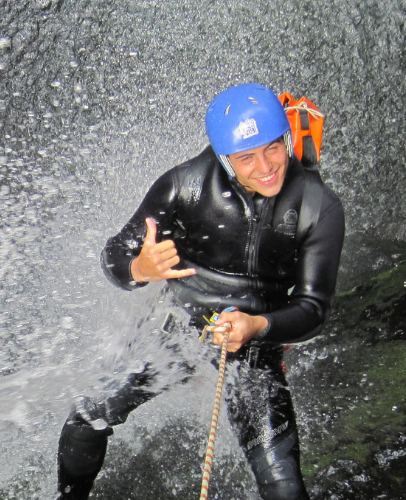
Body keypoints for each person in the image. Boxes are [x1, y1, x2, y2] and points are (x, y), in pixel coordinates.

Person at [56, 83, 345, 500]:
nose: (266, 167)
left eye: (273, 149)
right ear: (225, 159)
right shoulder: (185, 186)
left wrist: (257, 325)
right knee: (85, 417)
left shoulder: (318, 207)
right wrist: (140, 267)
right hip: (176, 331)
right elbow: (115, 254)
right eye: (247, 158)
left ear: (286, 139)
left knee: (284, 487)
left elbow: (314, 309)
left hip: (253, 345)